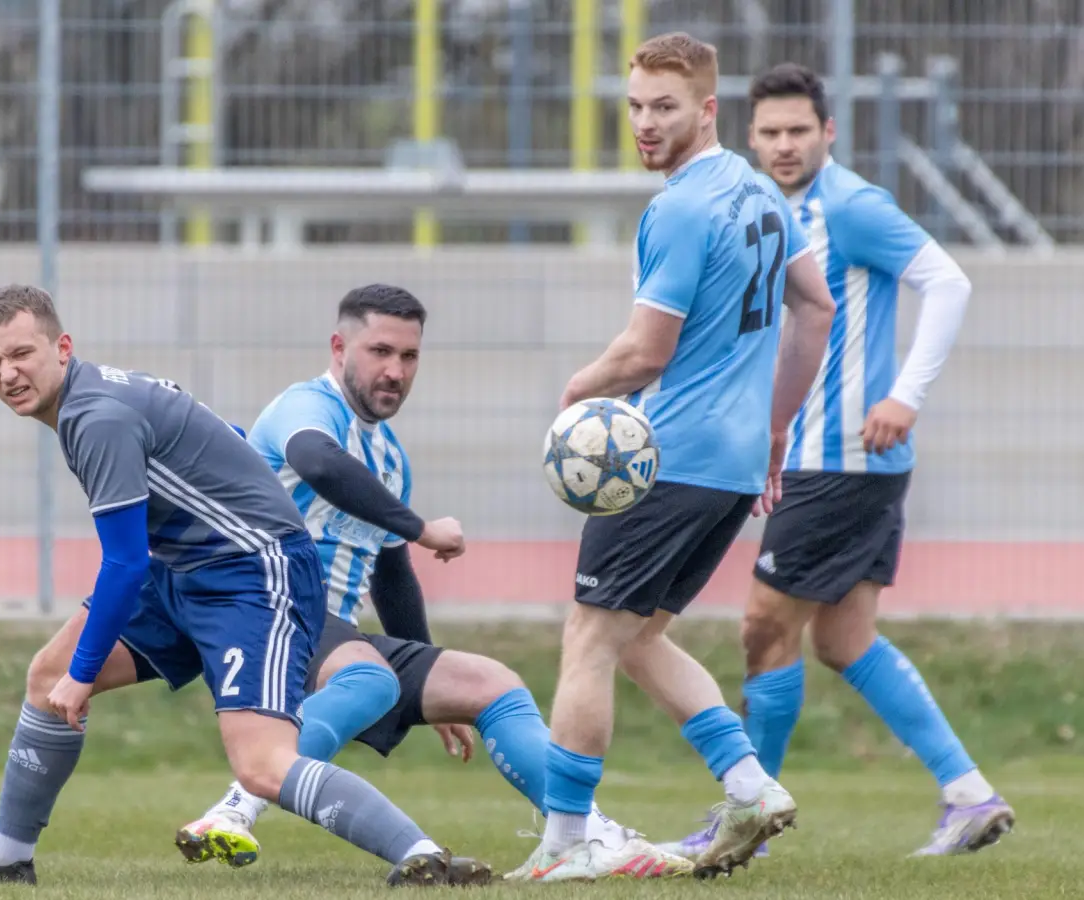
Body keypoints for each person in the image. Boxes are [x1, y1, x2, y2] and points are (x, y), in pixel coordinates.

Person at [0, 284, 491, 888]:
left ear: (63, 347)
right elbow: (220, 434)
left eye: (21, 354)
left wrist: (85, 676)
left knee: (262, 765)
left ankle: (424, 858)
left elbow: (125, 564)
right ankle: (5, 862)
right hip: (189, 569)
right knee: (46, 675)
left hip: (253, 578)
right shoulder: (97, 395)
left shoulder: (94, 415)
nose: (7, 374)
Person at [176, 284, 693, 880]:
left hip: (328, 632)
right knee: (368, 680)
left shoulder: (390, 458)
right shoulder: (306, 409)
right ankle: (234, 810)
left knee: (489, 683)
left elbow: (393, 576)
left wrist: (427, 676)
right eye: (380, 351)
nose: (395, 371)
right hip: (269, 610)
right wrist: (420, 526)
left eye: (409, 357)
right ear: (339, 347)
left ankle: (579, 834)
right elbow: (319, 463)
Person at [505, 33, 837, 884]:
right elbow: (816, 308)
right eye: (636, 108)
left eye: (665, 108)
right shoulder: (763, 194)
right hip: (727, 467)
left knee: (586, 635)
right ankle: (751, 785)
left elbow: (646, 353)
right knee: (642, 636)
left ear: (708, 109)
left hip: (665, 459)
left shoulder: (681, 207)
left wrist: (578, 390)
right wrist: (771, 429)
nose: (647, 126)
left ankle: (570, 839)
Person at [661, 63, 1013, 862]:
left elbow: (947, 282)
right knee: (844, 640)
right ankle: (967, 794)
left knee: (762, 627)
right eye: (772, 132)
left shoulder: (848, 206)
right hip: (830, 460)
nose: (785, 145)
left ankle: (748, 821)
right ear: (749, 137)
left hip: (843, 457)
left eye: (800, 131)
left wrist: (907, 395)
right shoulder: (762, 207)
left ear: (828, 134)